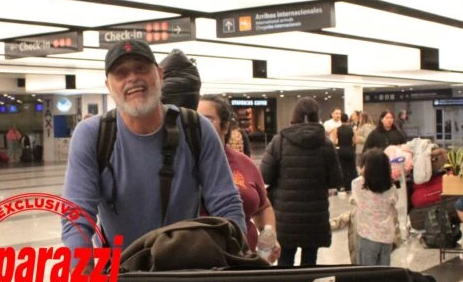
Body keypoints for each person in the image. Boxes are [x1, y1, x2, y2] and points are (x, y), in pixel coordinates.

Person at [62, 40, 245, 251]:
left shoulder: (197, 128)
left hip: (183, 268)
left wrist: (237, 259)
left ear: (159, 74)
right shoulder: (92, 135)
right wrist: (87, 280)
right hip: (118, 271)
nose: (132, 78)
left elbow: (225, 203)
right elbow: (76, 217)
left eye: (141, 68)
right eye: (121, 73)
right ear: (108, 87)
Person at [260, 98, 343, 267]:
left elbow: (265, 176)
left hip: (285, 216)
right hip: (314, 215)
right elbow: (336, 180)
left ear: (294, 116)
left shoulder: (279, 141)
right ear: (317, 117)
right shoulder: (326, 144)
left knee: (284, 261)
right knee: (309, 262)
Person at [197, 95, 279, 260]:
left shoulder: (244, 163)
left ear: (225, 126)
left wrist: (268, 234)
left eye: (207, 120)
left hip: (244, 262)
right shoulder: (182, 163)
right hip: (198, 263)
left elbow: (263, 207)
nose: (200, 126)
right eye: (195, 120)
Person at [351, 148, 397, 266]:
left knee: (367, 275)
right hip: (387, 236)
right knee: (384, 273)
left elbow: (355, 199)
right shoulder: (391, 188)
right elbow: (394, 202)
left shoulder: (358, 185)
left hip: (368, 236)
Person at [333, 112, 357, 192]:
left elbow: (335, 141)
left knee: (343, 169)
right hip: (350, 150)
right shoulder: (352, 129)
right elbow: (355, 141)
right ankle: (353, 186)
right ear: (347, 120)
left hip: (341, 150)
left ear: (341, 119)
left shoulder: (337, 129)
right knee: (352, 168)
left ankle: (344, 186)